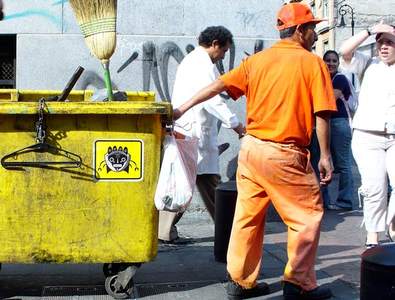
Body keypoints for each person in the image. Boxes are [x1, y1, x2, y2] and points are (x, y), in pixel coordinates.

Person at [173, 2, 336, 299]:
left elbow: (217, 86)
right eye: (313, 28)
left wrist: (181, 107)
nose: (315, 34)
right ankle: (298, 283)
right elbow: (323, 113)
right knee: (306, 216)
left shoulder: (258, 61)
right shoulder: (312, 63)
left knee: (248, 217)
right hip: (284, 152)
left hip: (251, 151)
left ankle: (240, 281)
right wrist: (325, 156)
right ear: (300, 30)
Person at [158, 26, 245, 243]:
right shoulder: (202, 64)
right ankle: (229, 231)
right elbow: (213, 99)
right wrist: (236, 125)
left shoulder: (192, 60)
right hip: (195, 133)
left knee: (187, 182)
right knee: (204, 184)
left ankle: (165, 231)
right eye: (224, 50)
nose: (223, 55)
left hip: (190, 132)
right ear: (215, 43)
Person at [340, 22, 395, 248]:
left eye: (390, 42)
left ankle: (392, 221)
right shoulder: (367, 64)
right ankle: (373, 233)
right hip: (367, 137)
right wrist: (371, 31)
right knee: (375, 188)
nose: (383, 46)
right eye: (380, 42)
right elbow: (344, 51)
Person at [310, 50, 354, 211]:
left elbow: (329, 99)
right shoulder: (320, 77)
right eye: (327, 60)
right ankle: (323, 200)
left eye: (334, 61)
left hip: (338, 123)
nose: (331, 63)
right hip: (321, 123)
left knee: (342, 164)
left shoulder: (340, 78)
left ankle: (345, 200)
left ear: (338, 63)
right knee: (320, 162)